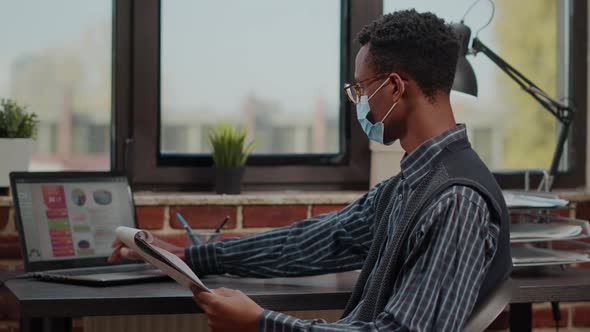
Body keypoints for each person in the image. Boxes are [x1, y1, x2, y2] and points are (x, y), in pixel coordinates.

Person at [109, 9, 512, 332]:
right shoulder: (410, 185)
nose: (358, 101)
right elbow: (318, 240)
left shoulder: (456, 200)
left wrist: (261, 324)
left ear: (393, 87)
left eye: (360, 88)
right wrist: (192, 257)